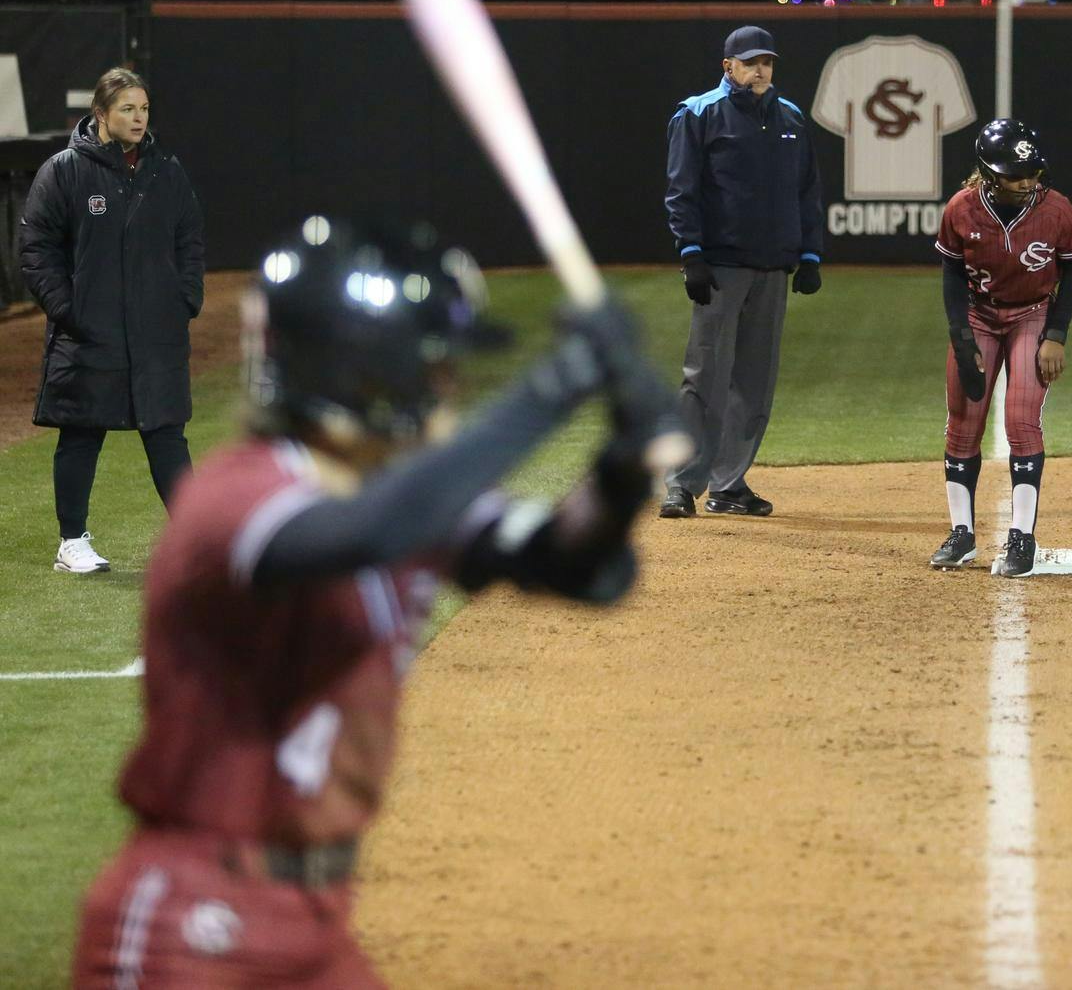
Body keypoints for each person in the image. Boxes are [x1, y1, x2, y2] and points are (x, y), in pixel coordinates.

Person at [70, 217, 674, 988]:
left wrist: (623, 470)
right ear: (369, 369)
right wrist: (555, 386)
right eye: (436, 366)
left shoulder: (406, 496)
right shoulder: (235, 496)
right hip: (187, 929)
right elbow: (359, 534)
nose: (448, 386)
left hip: (315, 926)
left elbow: (580, 565)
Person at [19, 66, 204, 575]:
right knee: (82, 431)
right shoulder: (63, 170)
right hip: (90, 331)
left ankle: (193, 543)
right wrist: (68, 310)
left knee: (167, 433)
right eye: (127, 108)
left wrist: (185, 298)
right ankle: (71, 542)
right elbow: (36, 250)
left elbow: (189, 238)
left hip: (156, 331)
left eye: (144, 108)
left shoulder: (167, 169)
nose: (139, 117)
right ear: (100, 114)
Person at [658, 25, 824, 519]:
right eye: (750, 61)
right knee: (704, 377)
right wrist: (690, 253)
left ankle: (728, 485)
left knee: (754, 383)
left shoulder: (791, 116)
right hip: (721, 267)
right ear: (727, 65)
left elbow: (807, 192)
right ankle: (681, 484)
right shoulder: (698, 113)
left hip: (773, 266)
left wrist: (810, 254)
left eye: (767, 62)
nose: (760, 70)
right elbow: (681, 189)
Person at [928, 118, 1072, 577]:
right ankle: (962, 535)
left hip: (1032, 315)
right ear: (987, 172)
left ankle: (1022, 538)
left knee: (1021, 420)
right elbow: (951, 274)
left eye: (1032, 173)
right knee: (963, 423)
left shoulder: (1056, 209)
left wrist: (1056, 334)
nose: (1026, 182)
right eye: (1015, 175)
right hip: (979, 315)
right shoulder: (961, 208)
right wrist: (961, 338)